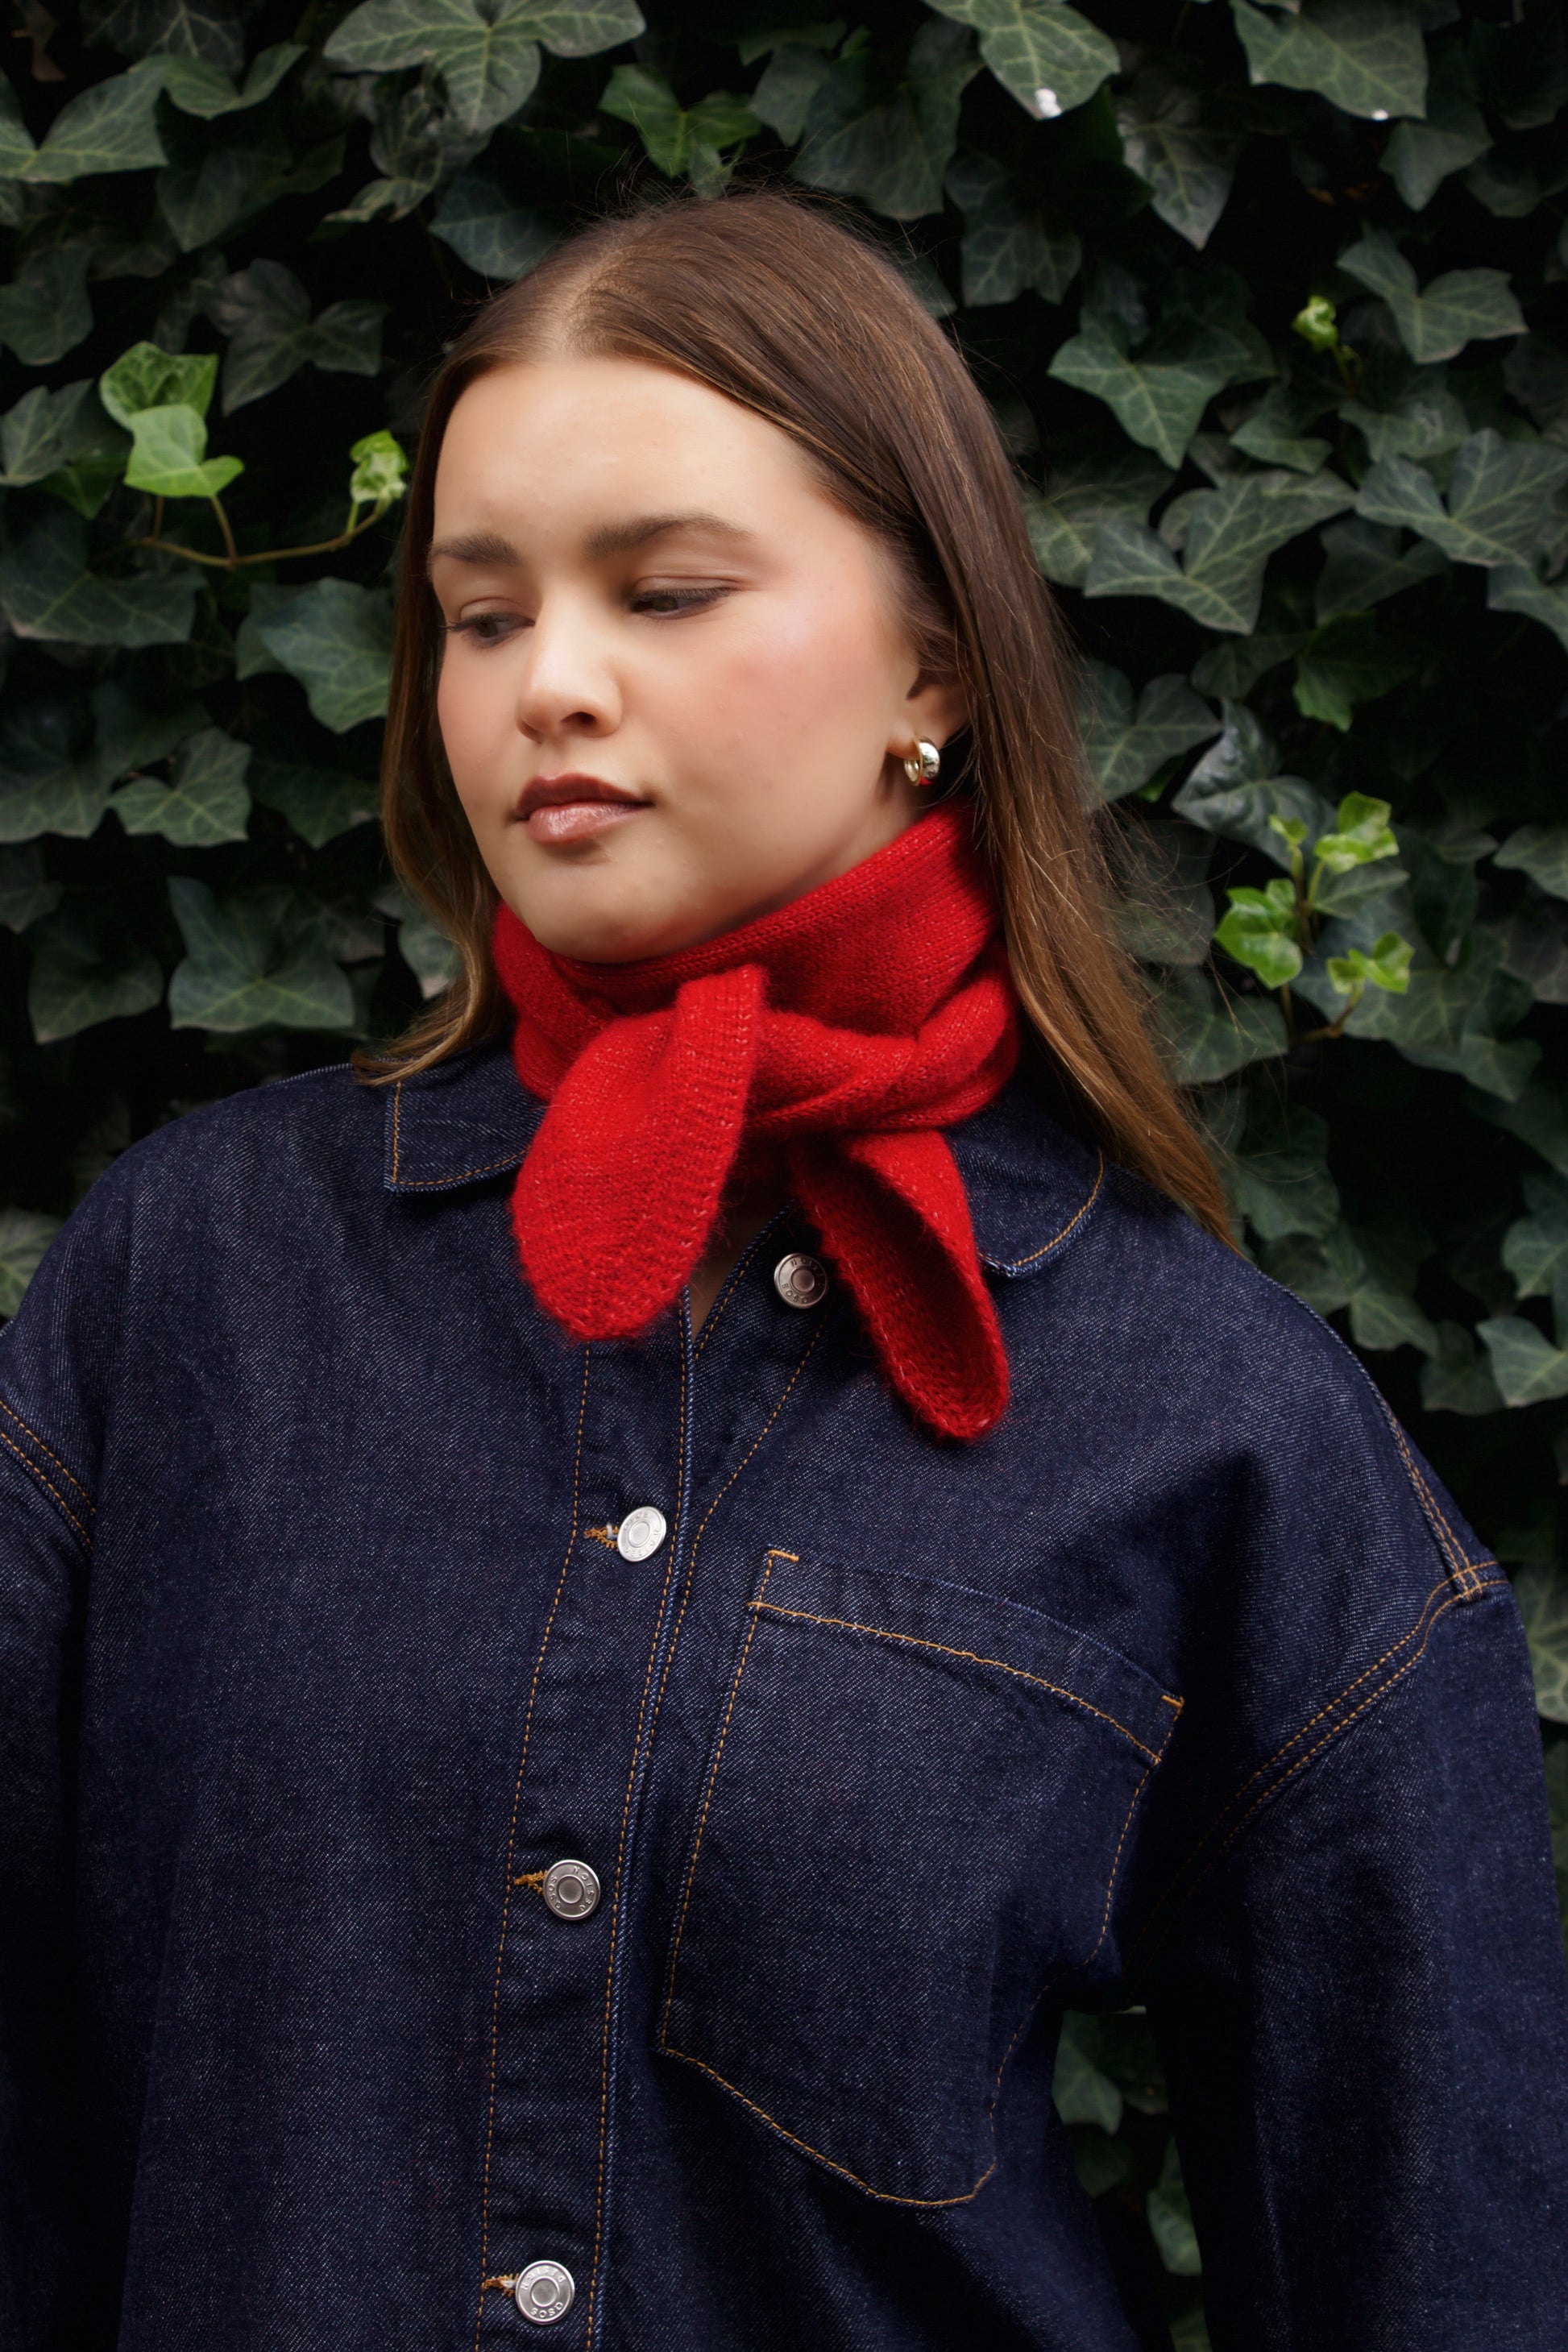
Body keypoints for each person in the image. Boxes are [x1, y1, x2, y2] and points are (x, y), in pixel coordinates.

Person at [2, 190, 1564, 2352]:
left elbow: (1434, 2257)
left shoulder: (1214, 1420)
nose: (549, 681)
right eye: (476, 615)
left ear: (930, 659)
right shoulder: (190, 1290)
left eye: (663, 591)